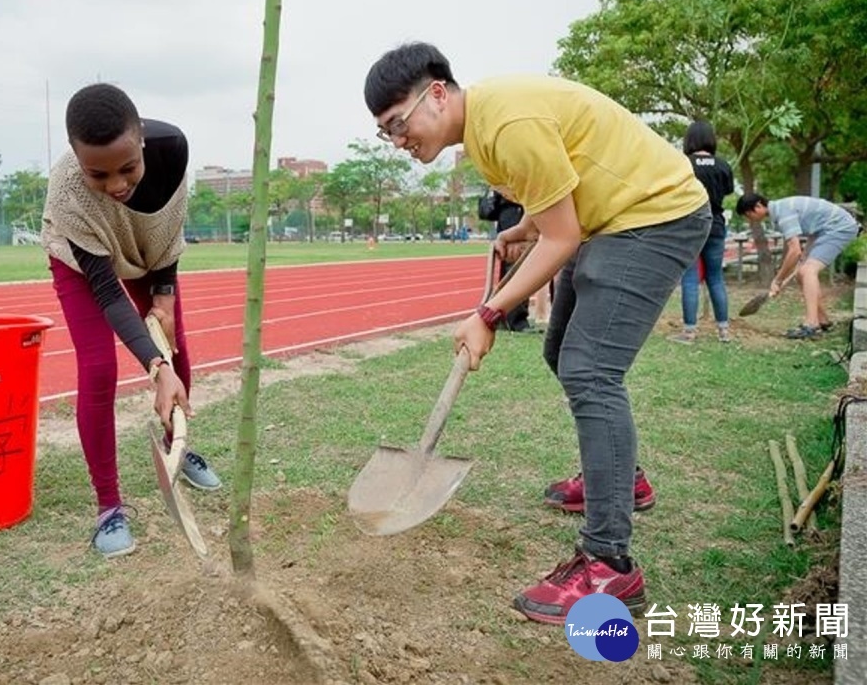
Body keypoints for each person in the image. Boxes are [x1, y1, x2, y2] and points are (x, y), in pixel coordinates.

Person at [364, 42, 709, 624]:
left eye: (399, 124)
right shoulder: (485, 131)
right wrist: (523, 226)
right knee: (561, 349)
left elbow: (564, 237)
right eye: (386, 134)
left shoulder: (507, 124)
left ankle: (609, 564)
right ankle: (621, 478)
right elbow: (558, 194)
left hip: (654, 216)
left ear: (438, 93)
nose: (398, 141)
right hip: (614, 220)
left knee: (591, 369)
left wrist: (489, 314)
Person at [42, 83, 222, 559]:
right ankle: (108, 506)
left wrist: (163, 297)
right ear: (77, 160)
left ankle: (178, 447)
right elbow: (107, 292)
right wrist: (154, 368)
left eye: (127, 168)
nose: (117, 185)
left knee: (175, 342)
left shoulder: (172, 150)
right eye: (97, 174)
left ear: (141, 138)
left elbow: (166, 231)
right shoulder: (65, 190)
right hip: (82, 264)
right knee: (99, 367)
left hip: (149, 253)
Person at [736, 193, 859, 339]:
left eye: (749, 215)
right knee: (802, 272)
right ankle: (822, 320)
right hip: (822, 230)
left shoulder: (783, 213)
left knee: (808, 271)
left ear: (758, 205)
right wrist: (801, 259)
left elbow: (794, 251)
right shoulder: (780, 209)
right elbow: (806, 238)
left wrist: (777, 280)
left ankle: (812, 325)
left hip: (839, 228)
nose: (750, 219)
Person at [671, 120, 736, 344]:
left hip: (690, 224)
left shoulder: (683, 164)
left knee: (690, 278)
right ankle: (724, 331)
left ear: (689, 139)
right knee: (715, 277)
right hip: (716, 224)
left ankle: (689, 333)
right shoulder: (723, 165)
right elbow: (727, 191)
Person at [479, 189, 533, 332]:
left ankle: (504, 316)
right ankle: (514, 319)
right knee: (515, 268)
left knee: (519, 269)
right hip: (512, 215)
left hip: (520, 213)